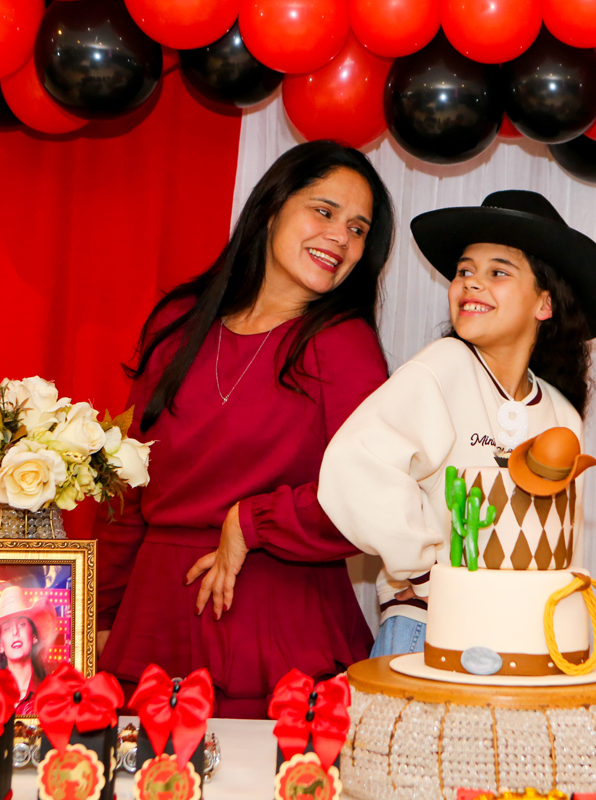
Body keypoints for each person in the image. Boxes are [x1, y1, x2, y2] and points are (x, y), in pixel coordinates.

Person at [94, 141, 394, 718]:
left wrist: (251, 522)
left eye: (358, 229)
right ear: (272, 207)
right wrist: (101, 613)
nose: (341, 237)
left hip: (280, 614)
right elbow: (126, 486)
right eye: (325, 211)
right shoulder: (180, 321)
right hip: (153, 617)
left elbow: (372, 498)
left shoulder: (343, 344)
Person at [318, 190, 596, 657]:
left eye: (498, 272)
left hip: (525, 640)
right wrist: (422, 572)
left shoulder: (561, 414)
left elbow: (563, 545)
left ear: (544, 303)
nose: (471, 283)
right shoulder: (445, 366)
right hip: (427, 629)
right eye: (464, 271)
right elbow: (355, 462)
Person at [0, 585, 59, 715]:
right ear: (1, 645)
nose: (15, 632)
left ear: (34, 636)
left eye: (22, 624)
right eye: (7, 628)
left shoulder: (50, 694)